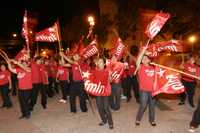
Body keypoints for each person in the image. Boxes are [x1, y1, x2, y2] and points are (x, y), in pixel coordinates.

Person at [135, 55, 156, 126]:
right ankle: (138, 118)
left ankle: (152, 120)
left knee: (152, 106)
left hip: (153, 90)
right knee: (143, 105)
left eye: (146, 58)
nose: (144, 60)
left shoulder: (153, 68)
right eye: (142, 59)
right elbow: (137, 61)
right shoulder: (140, 67)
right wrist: (143, 51)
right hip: (143, 90)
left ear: (149, 60)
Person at [93, 58, 114, 129]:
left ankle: (110, 123)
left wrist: (110, 76)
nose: (100, 63)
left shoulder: (107, 71)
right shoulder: (95, 71)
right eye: (98, 62)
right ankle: (104, 120)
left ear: (104, 64)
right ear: (97, 64)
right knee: (99, 107)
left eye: (101, 62)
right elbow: (92, 80)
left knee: (106, 107)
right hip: (98, 92)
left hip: (105, 92)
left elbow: (111, 81)